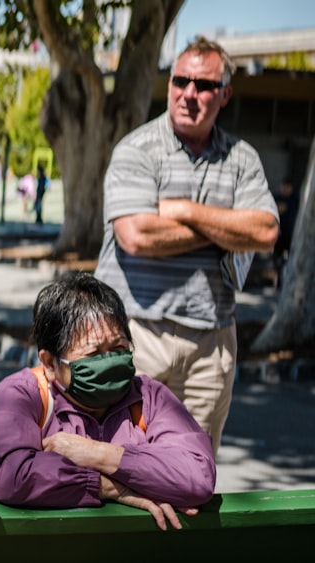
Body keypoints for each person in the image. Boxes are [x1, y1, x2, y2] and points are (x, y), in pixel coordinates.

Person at [93, 36, 279, 453]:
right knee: (123, 465)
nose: (189, 94)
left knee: (193, 477)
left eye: (204, 85)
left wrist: (185, 210)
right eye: (180, 81)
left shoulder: (242, 158)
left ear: (225, 94)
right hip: (136, 336)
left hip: (211, 346)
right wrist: (225, 228)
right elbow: (137, 235)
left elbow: (264, 232)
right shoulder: (136, 150)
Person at [0, 272, 216, 531]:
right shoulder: (21, 394)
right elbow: (10, 475)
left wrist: (93, 453)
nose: (108, 361)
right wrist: (111, 488)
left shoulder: (149, 395)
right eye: (92, 354)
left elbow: (197, 475)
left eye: (118, 349)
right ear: (49, 363)